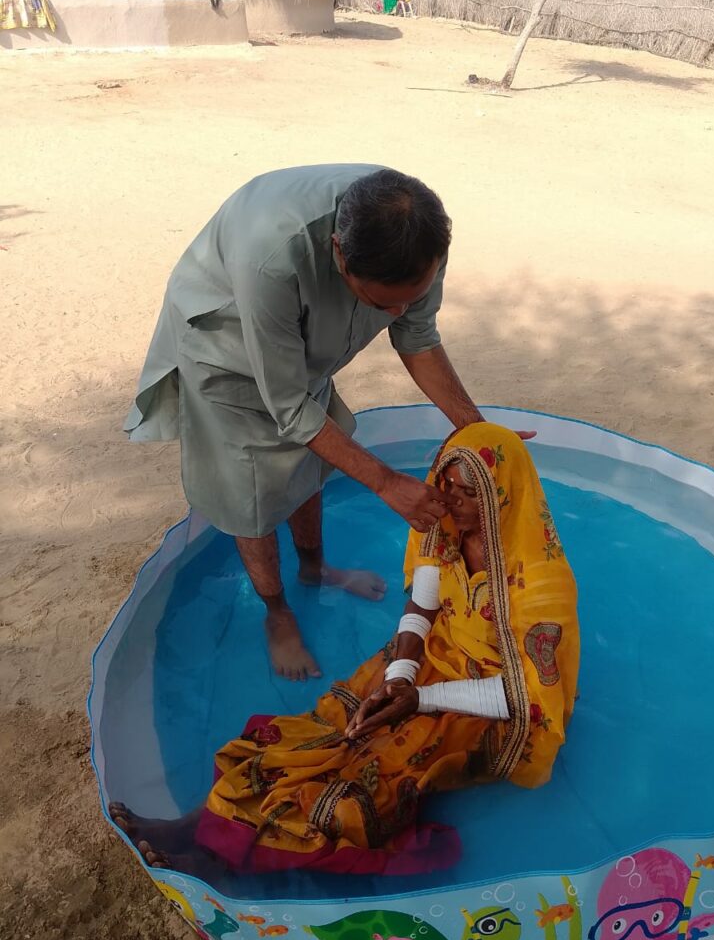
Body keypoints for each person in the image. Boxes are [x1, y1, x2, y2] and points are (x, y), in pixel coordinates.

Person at [110, 424, 580, 877]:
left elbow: (526, 697)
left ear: (503, 494)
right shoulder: (444, 526)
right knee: (326, 732)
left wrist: (420, 699)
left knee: (371, 777)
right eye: (448, 486)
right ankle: (197, 824)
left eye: (470, 492)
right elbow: (423, 603)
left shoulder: (541, 585)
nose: (452, 500)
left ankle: (224, 862)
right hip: (429, 659)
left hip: (493, 699)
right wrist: (400, 673)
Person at [125, 165, 530, 682]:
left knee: (309, 463)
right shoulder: (271, 260)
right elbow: (290, 408)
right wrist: (386, 482)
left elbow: (417, 337)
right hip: (228, 349)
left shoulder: (419, 234)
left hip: (297, 352)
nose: (399, 311)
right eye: (382, 304)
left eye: (410, 297)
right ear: (339, 253)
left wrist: (477, 432)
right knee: (251, 496)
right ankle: (277, 611)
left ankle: (315, 569)